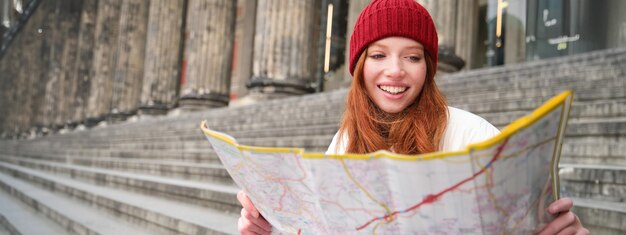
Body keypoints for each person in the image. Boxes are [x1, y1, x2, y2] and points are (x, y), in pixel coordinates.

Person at [236, 0, 589, 234]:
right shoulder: (344, 141)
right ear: (359, 68)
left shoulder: (473, 134)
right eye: (378, 55)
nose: (395, 71)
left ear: (428, 68)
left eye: (412, 57)